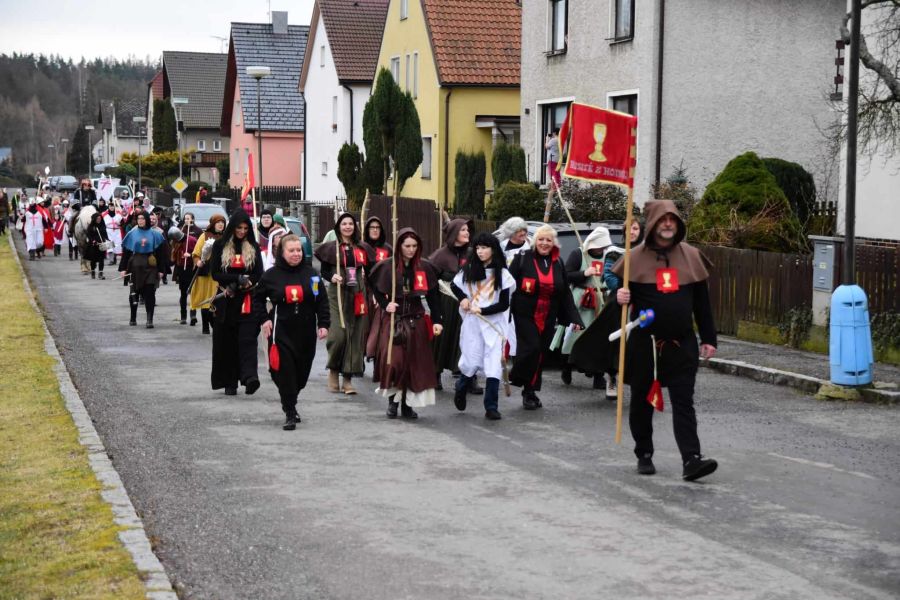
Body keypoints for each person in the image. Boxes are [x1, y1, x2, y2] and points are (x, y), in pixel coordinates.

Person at [613, 200, 718, 481]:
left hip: (681, 344)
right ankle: (644, 453)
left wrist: (709, 338)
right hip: (645, 345)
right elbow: (620, 303)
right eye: (663, 219)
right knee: (642, 402)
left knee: (684, 401)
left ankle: (691, 459)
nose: (668, 224)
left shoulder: (691, 256)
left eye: (672, 219)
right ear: (653, 224)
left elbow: (702, 305)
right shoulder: (634, 259)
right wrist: (620, 297)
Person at [255, 234, 330, 430]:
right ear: (282, 252)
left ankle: (290, 399)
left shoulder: (311, 274)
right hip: (281, 330)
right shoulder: (271, 275)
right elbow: (257, 299)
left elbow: (321, 300)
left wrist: (323, 324)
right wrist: (264, 319)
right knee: (285, 372)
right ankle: (289, 411)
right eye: (291, 251)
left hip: (305, 331)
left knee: (301, 375)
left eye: (299, 250)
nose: (296, 254)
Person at [369, 228, 443, 419]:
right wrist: (385, 304)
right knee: (395, 362)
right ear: (399, 246)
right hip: (395, 320)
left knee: (413, 365)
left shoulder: (424, 267)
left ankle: (407, 405)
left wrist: (437, 320)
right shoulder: (388, 266)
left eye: (414, 246)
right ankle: (392, 402)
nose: (411, 249)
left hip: (416, 320)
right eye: (407, 246)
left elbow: (434, 296)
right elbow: (374, 285)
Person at [508, 224, 583, 409]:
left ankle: (530, 391)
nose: (544, 243)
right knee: (532, 348)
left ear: (553, 243)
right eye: (541, 239)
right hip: (525, 314)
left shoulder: (558, 263)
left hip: (549, 315)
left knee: (541, 353)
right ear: (535, 241)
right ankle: (517, 377)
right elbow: (507, 284)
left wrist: (575, 318)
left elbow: (565, 292)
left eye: (548, 240)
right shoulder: (522, 258)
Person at [450, 233, 515, 420]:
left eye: (484, 247)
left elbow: (504, 304)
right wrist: (463, 299)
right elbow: (454, 286)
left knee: (494, 364)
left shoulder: (503, 275)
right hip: (473, 325)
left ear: (493, 249)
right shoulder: (469, 269)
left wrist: (483, 310)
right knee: (471, 361)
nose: (480, 251)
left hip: (494, 325)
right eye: (477, 248)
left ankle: (491, 406)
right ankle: (461, 387)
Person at [208, 209, 264, 396]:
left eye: (246, 228)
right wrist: (235, 279)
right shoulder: (219, 245)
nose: (242, 231)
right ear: (232, 227)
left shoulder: (253, 246)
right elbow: (215, 273)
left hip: (247, 299)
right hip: (226, 299)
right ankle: (229, 381)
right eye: (239, 228)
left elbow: (258, 273)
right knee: (227, 342)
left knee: (248, 340)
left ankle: (249, 377)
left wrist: (246, 281)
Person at [314, 213, 369, 395]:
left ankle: (347, 379)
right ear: (338, 226)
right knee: (338, 335)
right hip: (336, 295)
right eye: (344, 224)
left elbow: (372, 270)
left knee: (354, 336)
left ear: (355, 226)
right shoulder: (332, 248)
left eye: (350, 223)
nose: (347, 227)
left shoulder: (361, 247)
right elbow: (323, 271)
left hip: (357, 294)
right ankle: (333, 370)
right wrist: (332, 276)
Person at [555, 226, 613, 389]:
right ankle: (567, 366)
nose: (601, 248)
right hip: (580, 300)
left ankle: (598, 376)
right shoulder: (578, 254)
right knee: (574, 335)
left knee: (599, 337)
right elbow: (566, 275)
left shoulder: (608, 256)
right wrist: (584, 273)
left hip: (600, 300)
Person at [429, 218, 481, 393]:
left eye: (467, 230)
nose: (467, 233)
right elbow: (431, 282)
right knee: (442, 338)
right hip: (447, 303)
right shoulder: (440, 255)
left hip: (470, 304)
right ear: (453, 234)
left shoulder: (473, 253)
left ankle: (469, 377)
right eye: (463, 230)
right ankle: (434, 374)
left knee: (469, 340)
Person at [119, 212, 168, 328]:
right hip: (135, 265)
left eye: (142, 218)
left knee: (150, 292)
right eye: (138, 219)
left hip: (150, 265)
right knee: (134, 293)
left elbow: (161, 254)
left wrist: (161, 270)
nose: (140, 221)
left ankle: (149, 319)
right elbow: (126, 252)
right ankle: (133, 317)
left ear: (147, 220)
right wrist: (123, 268)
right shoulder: (132, 233)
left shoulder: (155, 234)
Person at [190, 214, 227, 334]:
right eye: (218, 222)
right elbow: (196, 254)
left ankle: (215, 324)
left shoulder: (227, 237)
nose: (221, 224)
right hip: (206, 274)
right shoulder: (204, 236)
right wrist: (198, 262)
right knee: (205, 300)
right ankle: (205, 325)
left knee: (217, 300)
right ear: (213, 224)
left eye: (222, 222)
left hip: (220, 274)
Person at [171, 212, 202, 325]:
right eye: (185, 218)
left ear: (193, 219)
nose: (187, 220)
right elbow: (174, 248)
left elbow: (200, 249)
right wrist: (179, 253)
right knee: (183, 293)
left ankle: (193, 315)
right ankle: (183, 316)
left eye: (189, 218)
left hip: (191, 267)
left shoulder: (198, 231)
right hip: (181, 267)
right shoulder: (180, 231)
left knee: (193, 291)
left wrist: (191, 254)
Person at [84, 211, 110, 279]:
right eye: (97, 218)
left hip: (102, 244)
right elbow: (89, 236)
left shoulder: (103, 226)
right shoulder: (91, 227)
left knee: (101, 259)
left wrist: (108, 240)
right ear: (94, 219)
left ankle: (100, 274)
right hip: (93, 245)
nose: (99, 220)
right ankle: (93, 272)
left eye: (100, 218)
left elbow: (105, 234)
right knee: (93, 260)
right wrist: (94, 241)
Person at [103, 201, 125, 265]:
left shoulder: (118, 214)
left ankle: (114, 258)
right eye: (110, 206)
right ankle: (111, 260)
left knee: (116, 245)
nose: (111, 207)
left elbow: (123, 223)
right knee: (110, 245)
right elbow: (102, 224)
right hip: (109, 231)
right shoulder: (105, 215)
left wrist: (120, 224)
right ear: (108, 207)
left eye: (112, 206)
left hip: (117, 231)